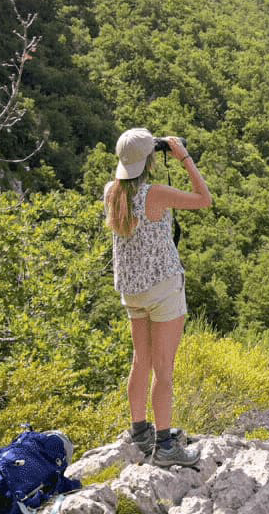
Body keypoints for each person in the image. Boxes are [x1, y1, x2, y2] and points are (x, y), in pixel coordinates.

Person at [103, 128, 211, 467]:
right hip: (163, 289)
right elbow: (203, 199)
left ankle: (140, 432)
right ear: (150, 159)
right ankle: (165, 447)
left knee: (141, 361)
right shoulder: (157, 194)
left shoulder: (111, 192)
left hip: (131, 291)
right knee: (164, 369)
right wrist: (184, 158)